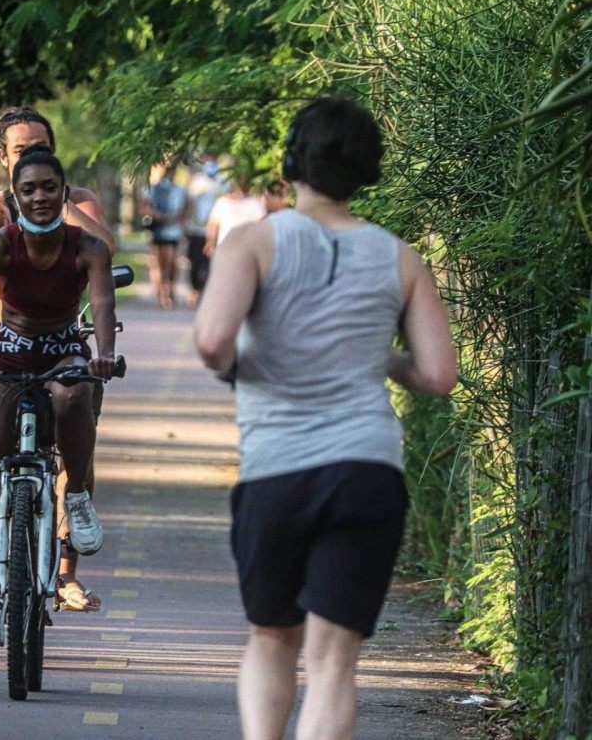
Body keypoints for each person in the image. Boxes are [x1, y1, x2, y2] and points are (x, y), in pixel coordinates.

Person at [194, 98, 457, 739]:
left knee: (271, 637)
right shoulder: (400, 258)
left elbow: (212, 340)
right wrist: (376, 357)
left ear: (290, 164)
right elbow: (438, 375)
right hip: (366, 472)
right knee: (334, 663)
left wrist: (236, 366)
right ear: (367, 171)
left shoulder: (253, 242)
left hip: (277, 470)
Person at [0, 148, 118, 644]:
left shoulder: (88, 248)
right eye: (28, 189)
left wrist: (105, 353)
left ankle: (75, 497)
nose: (39, 197)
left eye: (49, 188)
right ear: (14, 197)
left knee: (75, 393)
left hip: (63, 352)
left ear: (64, 193)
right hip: (9, 355)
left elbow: (102, 303)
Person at [140, 160, 188, 309]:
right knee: (158, 263)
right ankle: (160, 293)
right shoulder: (151, 189)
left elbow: (185, 209)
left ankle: (170, 292)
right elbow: (144, 206)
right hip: (157, 231)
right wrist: (158, 215)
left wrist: (177, 220)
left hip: (173, 232)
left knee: (172, 263)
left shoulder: (180, 190)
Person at [183, 154, 225, 306]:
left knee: (211, 263)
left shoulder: (223, 181)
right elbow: (188, 204)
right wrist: (185, 225)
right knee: (195, 261)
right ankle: (194, 289)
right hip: (196, 229)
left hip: (216, 231)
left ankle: (207, 292)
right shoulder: (197, 181)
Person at [204, 175, 265, 258]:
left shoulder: (254, 203)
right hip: (225, 249)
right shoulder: (222, 202)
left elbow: (260, 226)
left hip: (245, 252)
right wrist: (210, 242)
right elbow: (213, 224)